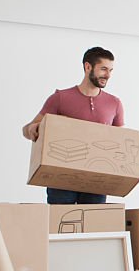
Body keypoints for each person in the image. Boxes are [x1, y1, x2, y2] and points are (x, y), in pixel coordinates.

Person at [22, 47, 124, 205]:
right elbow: (27, 129)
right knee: (60, 225)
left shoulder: (114, 103)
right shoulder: (60, 98)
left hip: (96, 178)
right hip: (61, 177)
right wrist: (33, 129)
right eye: (103, 69)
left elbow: (120, 141)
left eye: (111, 70)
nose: (108, 75)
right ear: (87, 66)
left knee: (94, 227)